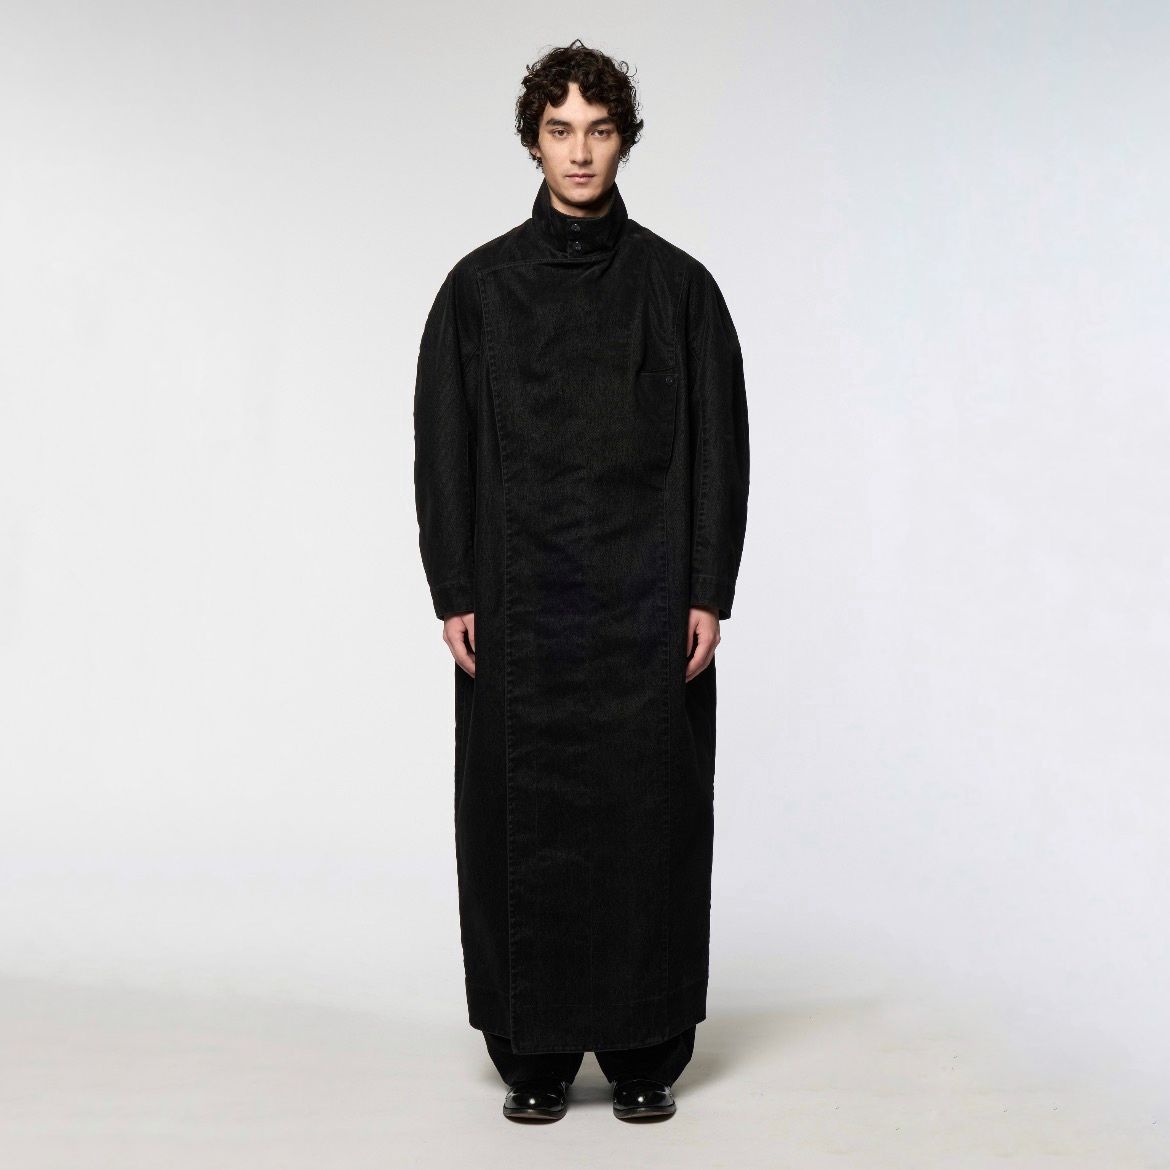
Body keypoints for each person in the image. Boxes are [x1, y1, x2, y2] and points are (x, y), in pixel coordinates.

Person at [412, 39, 750, 1123]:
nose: (580, 151)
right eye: (560, 130)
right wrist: (454, 588)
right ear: (533, 140)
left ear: (624, 141)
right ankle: (535, 1057)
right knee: (520, 825)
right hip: (517, 604)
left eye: (599, 130)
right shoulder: (477, 291)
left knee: (652, 822)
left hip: (649, 604)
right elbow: (442, 447)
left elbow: (720, 448)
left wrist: (708, 589)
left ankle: (648, 1048)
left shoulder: (679, 290)